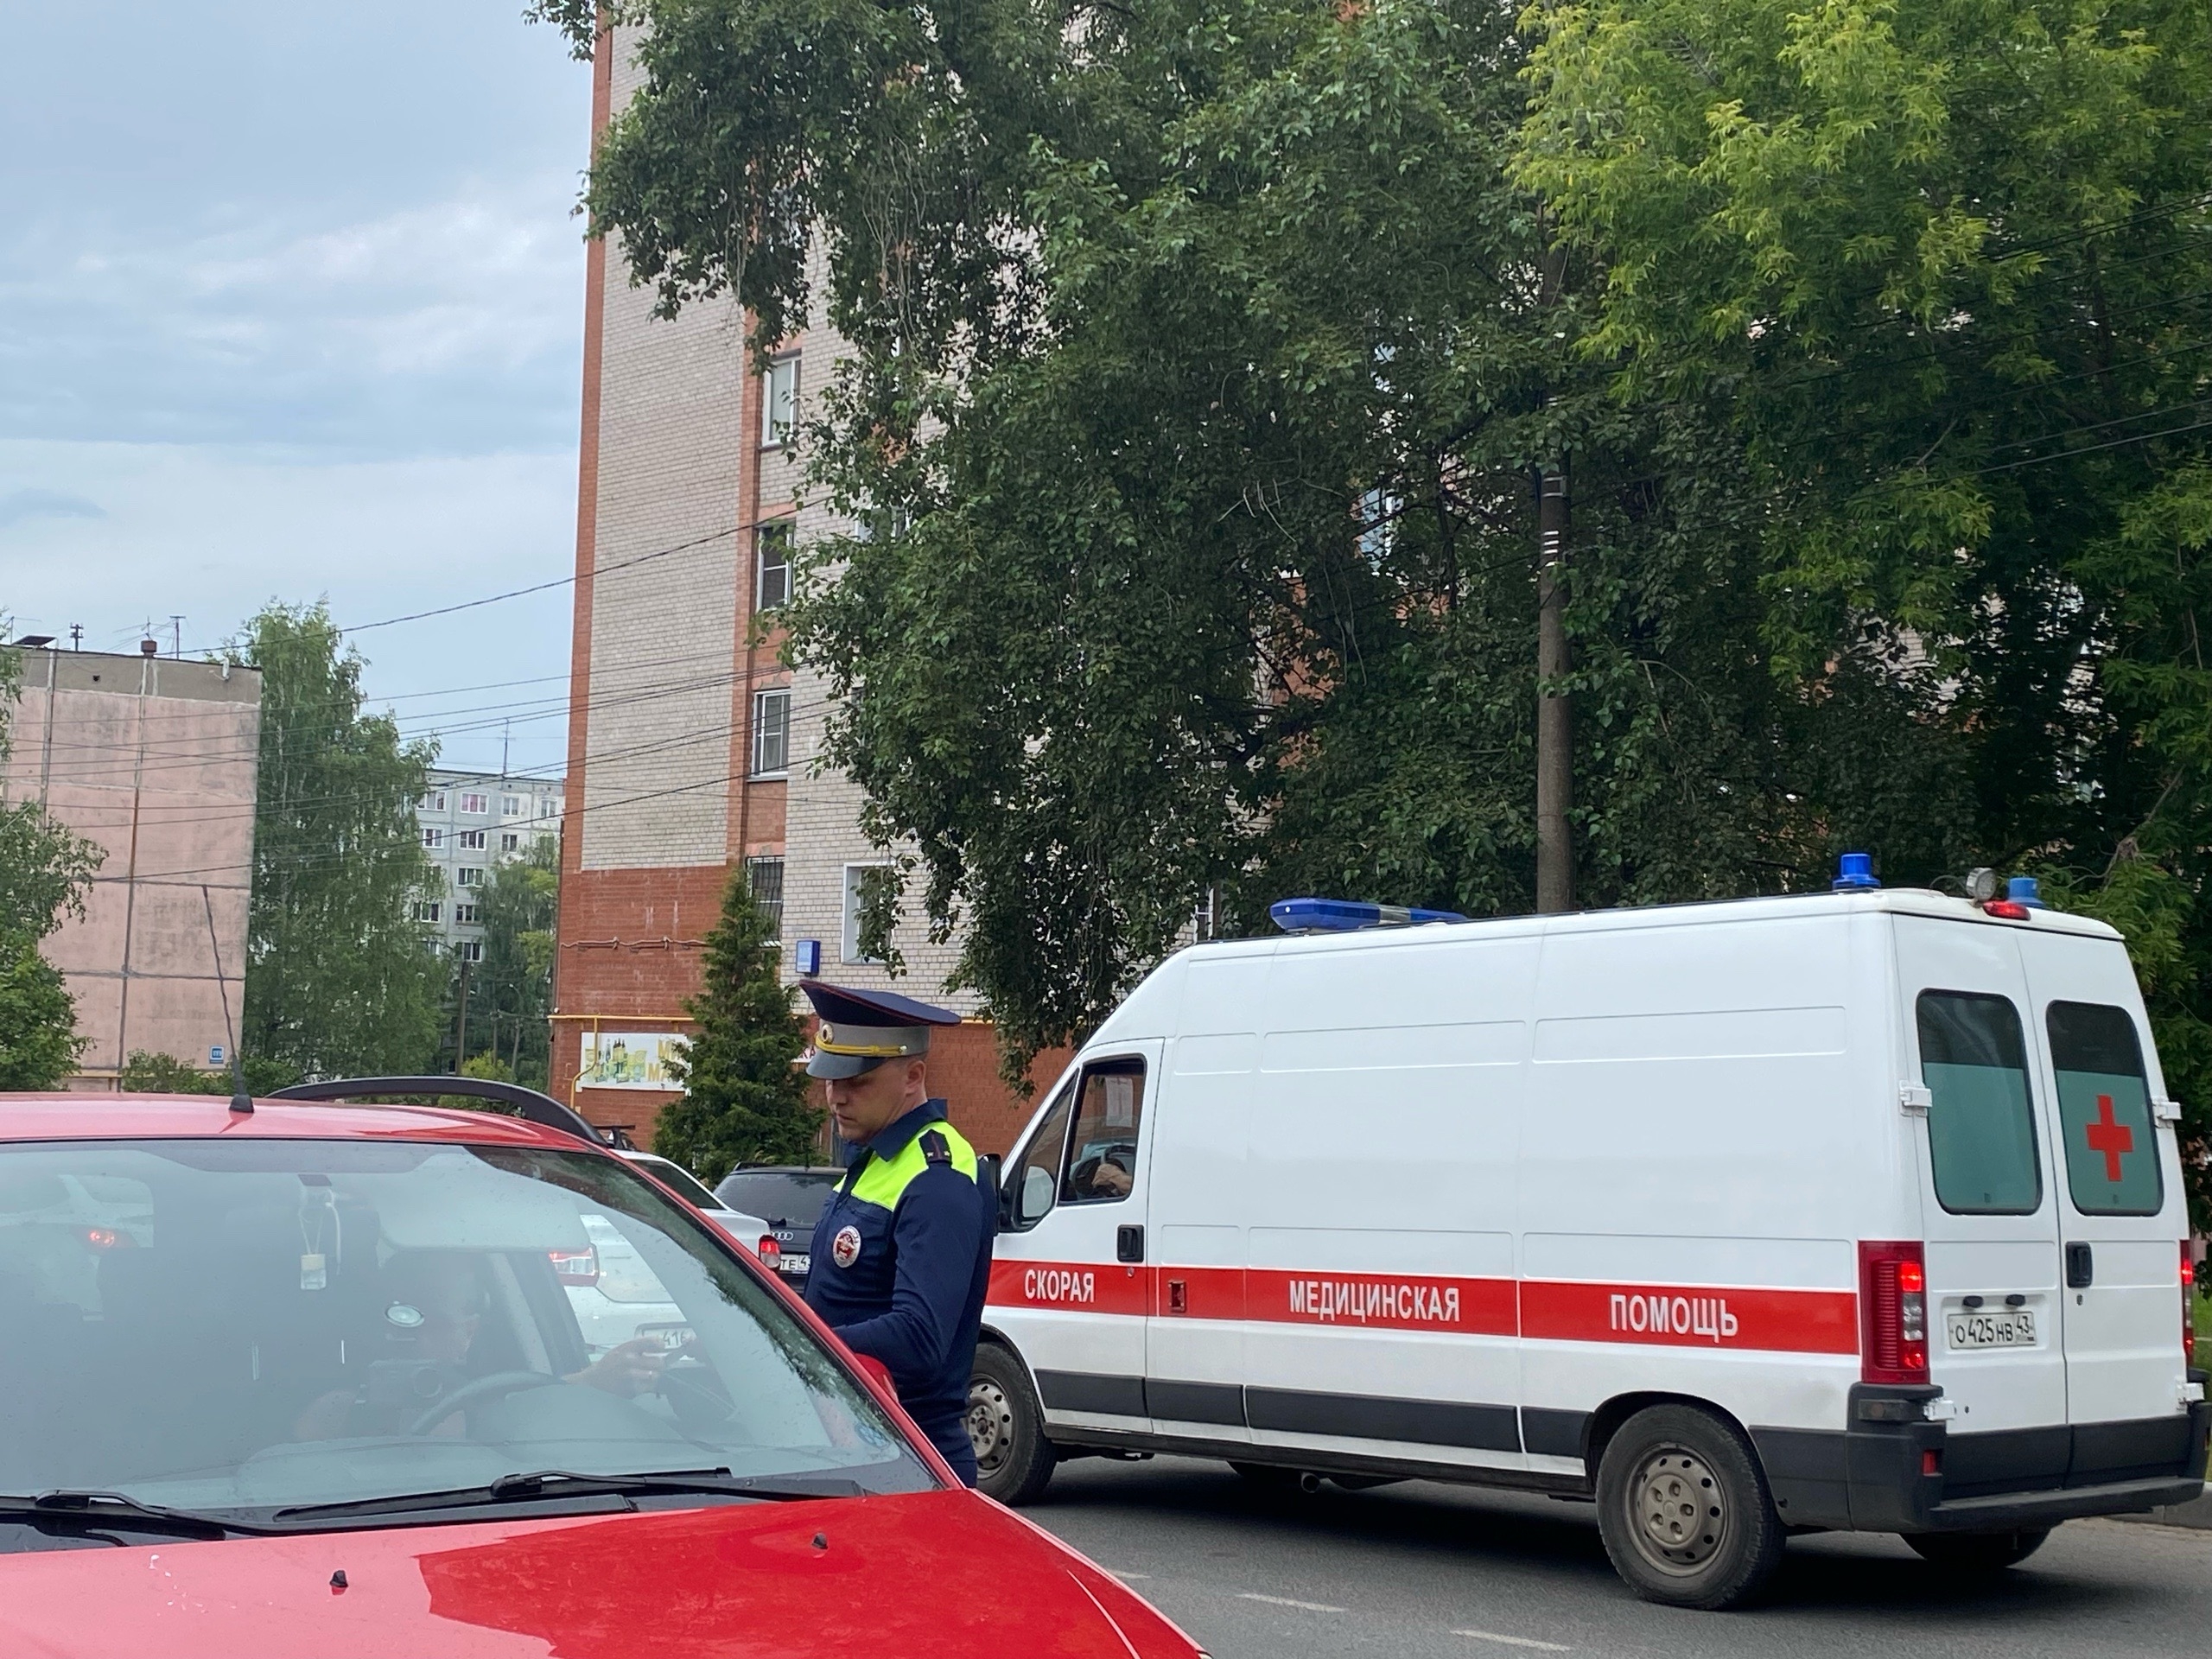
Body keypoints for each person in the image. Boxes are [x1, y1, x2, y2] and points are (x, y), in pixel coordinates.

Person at [798, 982, 995, 1484]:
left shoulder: (936, 1178)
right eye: (830, 1078)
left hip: (908, 1456)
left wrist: (797, 1345)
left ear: (913, 1076)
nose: (837, 1096)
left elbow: (920, 1336)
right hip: (859, 1444)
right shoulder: (877, 1157)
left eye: (857, 1081)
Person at [291, 1252, 665, 1440]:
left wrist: (593, 1383)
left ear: (469, 1332)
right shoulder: (333, 1416)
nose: (404, 1333)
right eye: (396, 1316)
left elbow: (535, 1405)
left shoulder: (502, 1413)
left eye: (427, 1318)